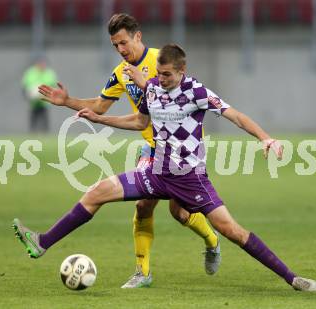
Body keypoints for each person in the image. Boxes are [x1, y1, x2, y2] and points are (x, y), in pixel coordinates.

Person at [13, 44, 316, 292]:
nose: (161, 80)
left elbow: (236, 116)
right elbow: (140, 121)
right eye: (158, 74)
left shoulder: (196, 92)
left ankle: (292, 279)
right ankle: (43, 243)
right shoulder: (152, 89)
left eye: (167, 75)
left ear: (182, 70)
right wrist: (99, 119)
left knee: (233, 231)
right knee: (96, 192)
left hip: (190, 179)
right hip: (156, 172)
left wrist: (266, 139)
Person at [37, 13, 220, 288]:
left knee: (180, 214)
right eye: (115, 46)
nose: (121, 50)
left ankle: (212, 240)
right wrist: (67, 101)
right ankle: (142, 272)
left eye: (124, 42)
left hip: (183, 151)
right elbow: (100, 106)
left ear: (138, 36)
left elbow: (183, 99)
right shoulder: (121, 73)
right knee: (143, 205)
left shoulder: (162, 62)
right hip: (151, 149)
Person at [22, 57, 58, 133]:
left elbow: (54, 85)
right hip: (33, 102)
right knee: (33, 118)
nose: (42, 65)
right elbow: (25, 85)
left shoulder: (49, 73)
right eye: (40, 63)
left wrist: (49, 94)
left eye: (43, 63)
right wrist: (27, 95)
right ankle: (32, 133)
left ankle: (45, 134)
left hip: (44, 101)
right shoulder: (30, 72)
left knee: (44, 118)